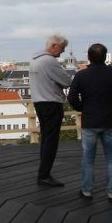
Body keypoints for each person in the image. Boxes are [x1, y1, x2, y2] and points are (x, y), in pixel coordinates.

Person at [67, 43, 112, 202]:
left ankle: (87, 191)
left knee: (88, 158)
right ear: (105, 56)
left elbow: (72, 97)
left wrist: (82, 108)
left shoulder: (81, 75)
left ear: (88, 57)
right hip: (110, 119)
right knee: (111, 157)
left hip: (90, 120)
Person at [29, 34, 73, 187]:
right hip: (52, 103)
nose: (63, 52)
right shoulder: (49, 61)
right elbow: (67, 81)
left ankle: (43, 173)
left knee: (45, 138)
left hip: (39, 103)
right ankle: (44, 175)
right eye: (62, 48)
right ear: (54, 46)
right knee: (51, 141)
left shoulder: (34, 60)